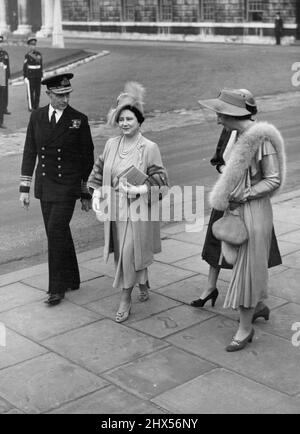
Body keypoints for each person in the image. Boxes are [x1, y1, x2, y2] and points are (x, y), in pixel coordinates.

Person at [197, 88, 286, 351]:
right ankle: (257, 307)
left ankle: (245, 329)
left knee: (247, 268)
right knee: (239, 263)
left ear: (231, 114)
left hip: (253, 210)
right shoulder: (237, 134)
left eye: (220, 114)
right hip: (237, 208)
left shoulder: (261, 140)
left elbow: (273, 179)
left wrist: (244, 194)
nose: (217, 120)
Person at [88, 82, 168, 323]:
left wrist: (140, 188)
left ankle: (125, 299)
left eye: (129, 119)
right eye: (121, 119)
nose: (124, 123)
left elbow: (162, 181)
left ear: (139, 120)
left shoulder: (149, 148)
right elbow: (99, 170)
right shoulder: (112, 144)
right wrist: (94, 192)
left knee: (127, 252)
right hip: (115, 211)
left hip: (138, 211)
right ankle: (142, 281)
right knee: (126, 253)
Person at [19, 73, 94, 305]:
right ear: (49, 94)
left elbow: (87, 159)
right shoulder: (37, 117)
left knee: (55, 232)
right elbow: (30, 151)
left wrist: (84, 192)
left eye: (67, 94)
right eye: (59, 95)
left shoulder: (78, 120)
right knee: (59, 232)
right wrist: (25, 187)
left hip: (67, 188)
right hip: (45, 186)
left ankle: (57, 287)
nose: (65, 99)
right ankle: (72, 278)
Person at [23, 37, 43, 110]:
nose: (33, 46)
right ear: (29, 46)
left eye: (34, 45)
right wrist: (25, 77)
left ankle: (36, 105)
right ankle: (30, 106)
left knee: (38, 92)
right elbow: (25, 67)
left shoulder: (39, 54)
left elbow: (41, 65)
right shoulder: (27, 55)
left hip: (38, 75)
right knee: (31, 92)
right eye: (31, 45)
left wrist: (42, 75)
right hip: (30, 76)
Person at [0, 35, 11, 117]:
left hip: (4, 75)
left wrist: (9, 77)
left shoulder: (5, 53)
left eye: (1, 42)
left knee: (5, 93)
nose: (1, 44)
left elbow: (8, 66)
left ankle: (4, 109)